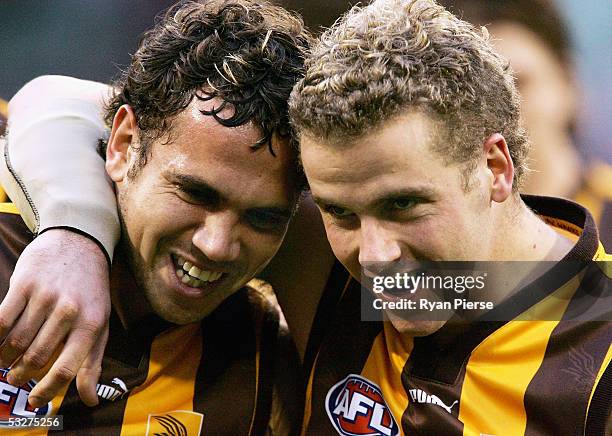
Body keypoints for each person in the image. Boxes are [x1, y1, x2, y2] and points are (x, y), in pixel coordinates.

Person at [1, 0, 611, 434]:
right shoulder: (335, 268)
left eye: (405, 204)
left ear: (496, 169)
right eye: (339, 211)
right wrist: (75, 232)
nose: (375, 254)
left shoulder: (596, 353)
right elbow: (63, 100)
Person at [0, 0, 311, 433]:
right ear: (124, 145)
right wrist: (74, 228)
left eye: (263, 218)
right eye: (194, 193)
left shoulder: (267, 351)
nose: (216, 245)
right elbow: (49, 99)